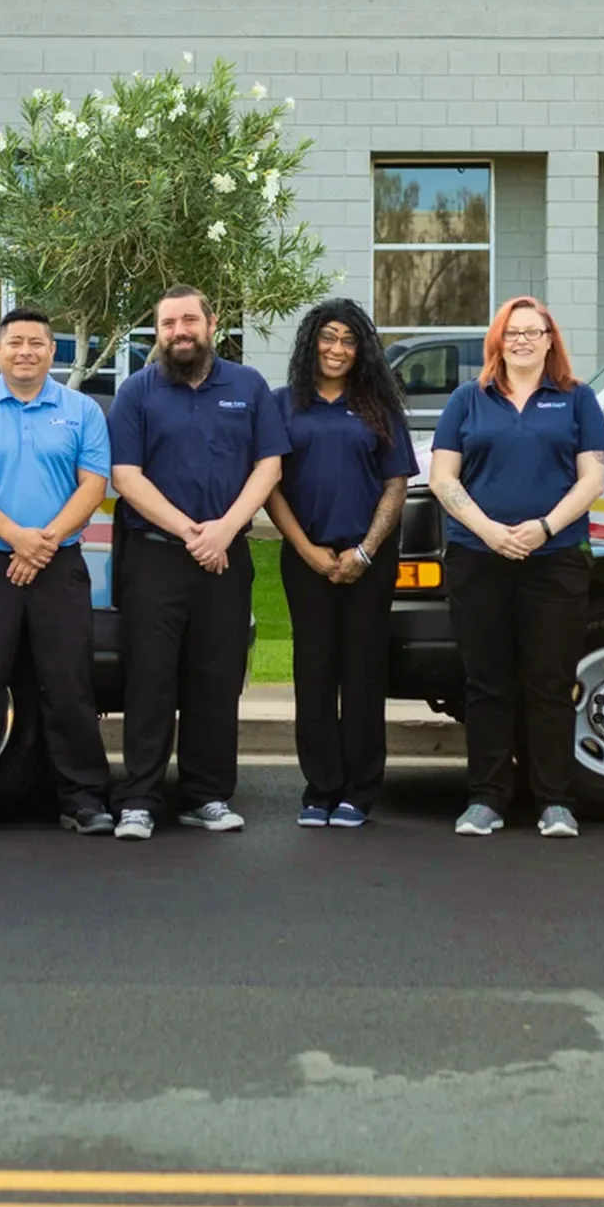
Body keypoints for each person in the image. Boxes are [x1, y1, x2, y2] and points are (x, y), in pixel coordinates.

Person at [107, 285, 288, 839]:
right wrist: (190, 532)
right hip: (154, 556)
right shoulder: (136, 391)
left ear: (212, 324)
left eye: (189, 320)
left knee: (216, 678)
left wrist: (225, 529)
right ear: (157, 332)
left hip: (226, 556)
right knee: (150, 678)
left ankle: (206, 795)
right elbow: (125, 476)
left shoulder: (248, 387)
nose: (179, 332)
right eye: (168, 324)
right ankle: (139, 799)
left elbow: (269, 466)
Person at [426, 295, 604, 839]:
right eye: (513, 332)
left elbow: (593, 479)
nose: (523, 340)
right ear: (498, 342)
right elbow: (442, 477)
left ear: (551, 341)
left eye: (534, 332)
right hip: (478, 558)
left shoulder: (577, 399)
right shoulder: (468, 399)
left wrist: (544, 527)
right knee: (486, 683)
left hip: (554, 560)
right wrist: (488, 530)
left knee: (551, 682)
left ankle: (554, 801)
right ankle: (486, 799)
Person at [0, 306, 116, 839]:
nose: (26, 352)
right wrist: (18, 539)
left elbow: (93, 485)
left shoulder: (82, 411)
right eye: (15, 343)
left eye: (37, 343)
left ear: (52, 351)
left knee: (69, 684)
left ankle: (83, 798)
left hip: (59, 564)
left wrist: (43, 542)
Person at [266, 298, 418, 828]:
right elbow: (270, 485)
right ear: (312, 343)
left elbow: (396, 485)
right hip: (305, 556)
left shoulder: (379, 405)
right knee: (313, 673)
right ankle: (321, 788)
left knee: (362, 673)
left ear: (362, 350)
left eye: (349, 340)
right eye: (328, 337)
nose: (337, 349)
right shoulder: (283, 404)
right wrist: (306, 550)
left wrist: (365, 551)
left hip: (369, 559)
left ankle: (359, 790)